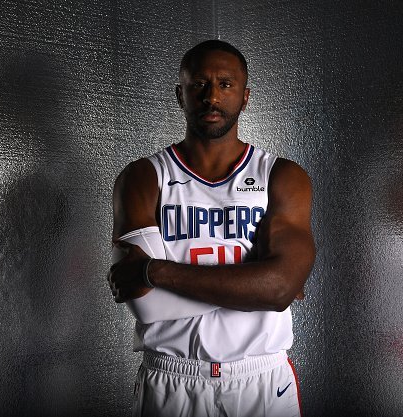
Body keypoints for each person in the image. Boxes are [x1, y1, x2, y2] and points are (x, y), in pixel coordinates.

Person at [108, 39, 315, 417]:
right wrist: (256, 284)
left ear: (246, 96)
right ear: (180, 94)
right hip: (173, 379)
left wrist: (155, 271)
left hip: (260, 378)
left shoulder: (281, 176)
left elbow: (279, 289)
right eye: (199, 85)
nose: (211, 97)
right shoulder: (143, 177)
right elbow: (146, 304)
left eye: (225, 84)